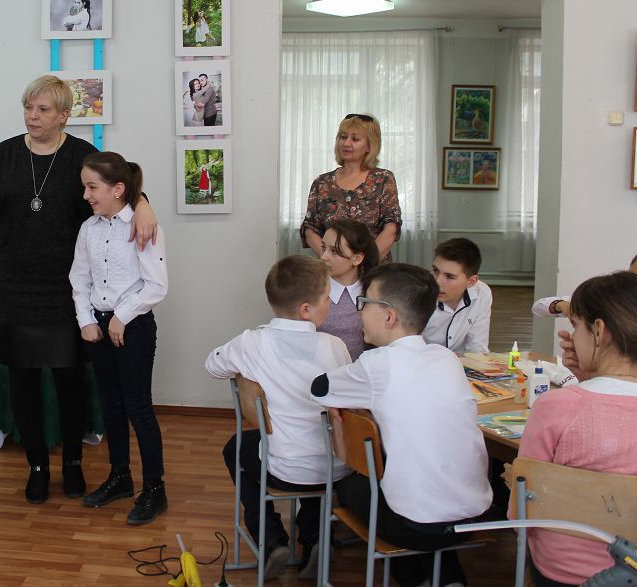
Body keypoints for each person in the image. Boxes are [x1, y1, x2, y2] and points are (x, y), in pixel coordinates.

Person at [0, 75, 157, 505]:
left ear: (65, 115)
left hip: (68, 289)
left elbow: (121, 189)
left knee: (70, 378)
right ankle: (37, 466)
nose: (32, 116)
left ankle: (72, 462)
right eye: (28, 108)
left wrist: (144, 206)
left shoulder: (81, 156)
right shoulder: (6, 154)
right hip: (16, 287)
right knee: (24, 379)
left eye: (43, 109)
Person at [311, 263, 492, 587]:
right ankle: (449, 578)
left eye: (364, 302)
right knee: (422, 490)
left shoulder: (377, 363)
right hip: (472, 516)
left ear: (389, 316)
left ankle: (414, 579)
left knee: (352, 487)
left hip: (416, 525)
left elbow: (319, 389)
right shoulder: (446, 359)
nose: (359, 311)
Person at [518, 271, 637, 585]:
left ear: (599, 331)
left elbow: (523, 508)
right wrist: (589, 378)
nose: (571, 336)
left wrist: (585, 384)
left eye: (576, 325)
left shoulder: (555, 407)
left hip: (562, 567)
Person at [206, 255, 353, 581]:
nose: (330, 302)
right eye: (327, 296)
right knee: (315, 450)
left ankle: (270, 539)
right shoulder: (335, 346)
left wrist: (244, 369)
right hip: (336, 468)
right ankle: (316, 536)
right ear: (306, 309)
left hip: (284, 468)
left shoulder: (252, 342)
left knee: (236, 449)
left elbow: (212, 366)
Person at [68, 152, 169, 525]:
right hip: (97, 327)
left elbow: (157, 285)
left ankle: (155, 488)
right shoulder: (88, 229)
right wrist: (85, 320)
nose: (86, 195)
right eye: (85, 187)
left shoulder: (144, 227)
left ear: (118, 189)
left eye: (92, 187)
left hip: (134, 328)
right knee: (110, 405)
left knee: (138, 407)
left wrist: (122, 317)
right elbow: (79, 279)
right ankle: (120, 477)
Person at [533, 245, 637, 370]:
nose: (635, 287)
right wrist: (564, 306)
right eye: (632, 277)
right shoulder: (610, 298)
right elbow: (539, 307)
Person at [301, 113, 401, 261]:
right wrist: (331, 259)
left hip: (373, 267)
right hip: (331, 268)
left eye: (355, 139)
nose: (346, 143)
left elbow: (391, 228)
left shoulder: (383, 179)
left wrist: (364, 263)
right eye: (343, 137)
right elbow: (310, 229)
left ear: (369, 146)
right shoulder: (322, 182)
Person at [317, 218, 380, 360]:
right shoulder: (312, 290)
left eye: (334, 251)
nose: (323, 256)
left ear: (357, 259)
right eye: (323, 247)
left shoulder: (375, 294)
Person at [421, 238, 493, 354]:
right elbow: (410, 349)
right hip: (423, 361)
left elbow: (477, 348)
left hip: (461, 362)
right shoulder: (419, 294)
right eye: (435, 270)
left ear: (471, 281)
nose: (437, 282)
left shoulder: (482, 293)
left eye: (449, 277)